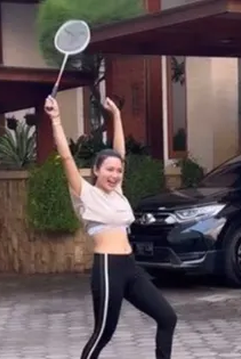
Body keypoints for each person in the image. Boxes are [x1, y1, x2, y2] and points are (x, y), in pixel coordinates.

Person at [44, 95, 177, 359]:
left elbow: (120, 152)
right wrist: (56, 119)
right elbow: (67, 158)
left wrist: (116, 116)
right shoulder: (85, 193)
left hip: (131, 267)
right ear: (95, 170)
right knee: (104, 332)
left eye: (118, 170)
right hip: (108, 268)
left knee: (167, 317)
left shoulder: (118, 193)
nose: (115, 175)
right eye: (109, 170)